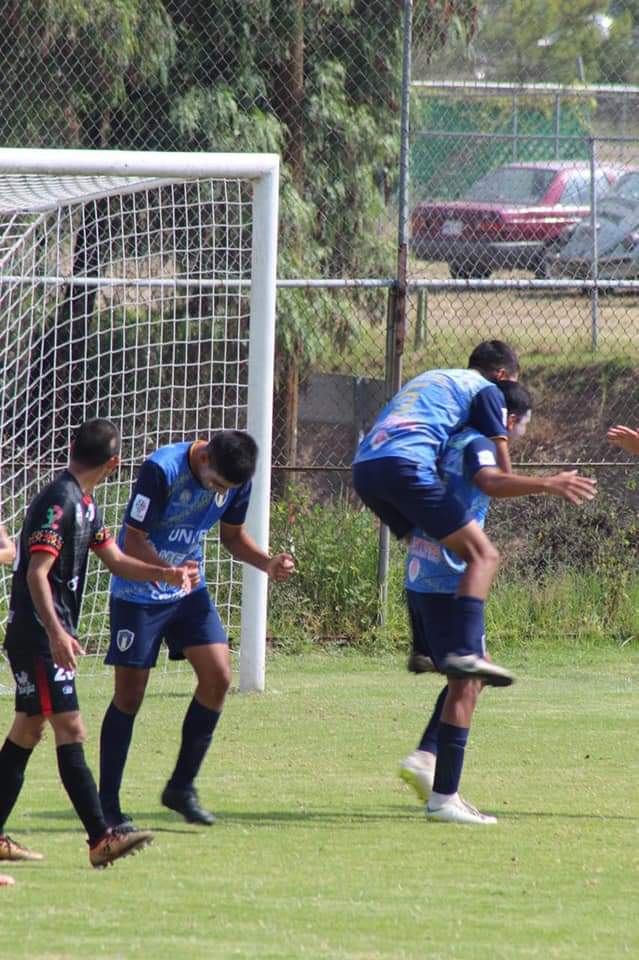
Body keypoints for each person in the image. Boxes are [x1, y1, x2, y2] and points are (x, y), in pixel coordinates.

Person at [398, 381, 597, 824]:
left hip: (421, 574)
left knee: (472, 670)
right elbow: (489, 478)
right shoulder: (476, 444)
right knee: (468, 679)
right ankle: (443, 795)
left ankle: (429, 759)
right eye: (521, 425)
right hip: (450, 579)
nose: (520, 435)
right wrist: (548, 483)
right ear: (509, 420)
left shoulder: (446, 438)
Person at [0, 418, 195, 869]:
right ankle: (100, 838)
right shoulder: (60, 501)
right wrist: (55, 632)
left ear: (72, 446)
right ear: (114, 463)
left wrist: (163, 573)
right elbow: (35, 573)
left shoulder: (85, 503)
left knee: (28, 729)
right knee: (71, 729)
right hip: (39, 637)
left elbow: (118, 560)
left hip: (44, 635)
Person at [98, 429, 295, 830]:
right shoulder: (162, 469)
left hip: (188, 589)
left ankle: (181, 788)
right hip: (139, 590)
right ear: (205, 458)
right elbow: (131, 541)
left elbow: (233, 537)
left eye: (227, 488)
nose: (219, 492)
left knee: (218, 676)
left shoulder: (237, 480)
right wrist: (163, 572)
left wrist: (268, 562)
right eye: (217, 484)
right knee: (129, 696)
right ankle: (107, 805)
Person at [353, 340, 520, 687]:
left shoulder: (436, 378)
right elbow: (499, 476)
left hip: (366, 469)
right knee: (483, 554)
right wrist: (549, 483)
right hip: (405, 466)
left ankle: (423, 647)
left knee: (424, 539)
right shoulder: (487, 390)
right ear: (502, 375)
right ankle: (467, 651)